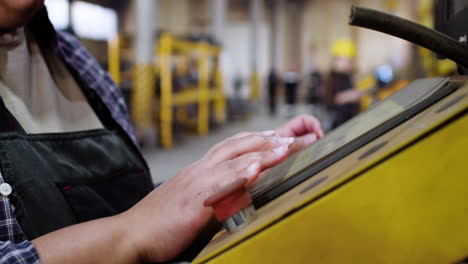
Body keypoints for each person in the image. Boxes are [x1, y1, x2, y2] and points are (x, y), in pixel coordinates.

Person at [0, 2, 324, 263]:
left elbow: (128, 203)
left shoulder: (75, 59)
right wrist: (132, 232)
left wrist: (219, 182)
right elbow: (138, 223)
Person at [324, 39, 362, 129]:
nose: (349, 63)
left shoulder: (347, 77)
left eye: (350, 60)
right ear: (336, 60)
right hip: (338, 124)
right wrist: (349, 96)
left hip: (349, 122)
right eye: (345, 60)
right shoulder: (333, 78)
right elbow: (329, 101)